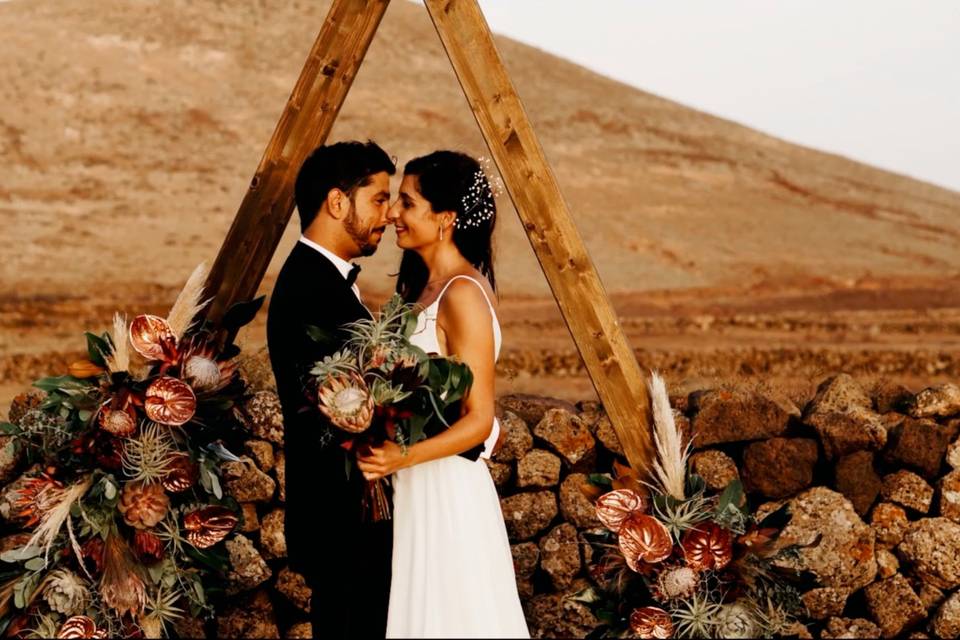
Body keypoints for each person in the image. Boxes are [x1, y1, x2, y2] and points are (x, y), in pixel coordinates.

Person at [357, 150, 529, 638]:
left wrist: (400, 457)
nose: (392, 214)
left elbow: (478, 420)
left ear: (446, 218)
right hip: (414, 486)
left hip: (446, 490)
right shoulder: (420, 290)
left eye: (407, 204)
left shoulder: (462, 295)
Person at [266, 140, 395, 639]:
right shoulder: (310, 288)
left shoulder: (325, 279)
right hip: (343, 520)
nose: (387, 215)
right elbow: (343, 404)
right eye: (379, 199)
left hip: (346, 521)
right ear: (338, 202)